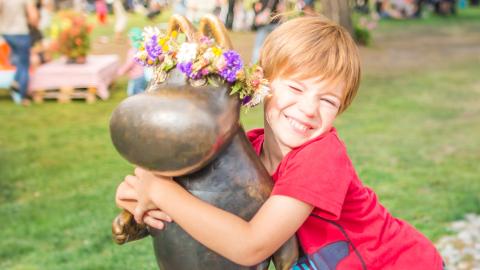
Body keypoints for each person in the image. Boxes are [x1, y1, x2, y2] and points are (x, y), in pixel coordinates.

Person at [116, 16, 444, 269]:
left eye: (328, 101)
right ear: (262, 83)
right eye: (297, 89)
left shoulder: (321, 156)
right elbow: (198, 208)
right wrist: (140, 200)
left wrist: (158, 190)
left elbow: (251, 246)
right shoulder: (249, 151)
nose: (309, 109)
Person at [0, 0, 39, 106]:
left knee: (20, 62)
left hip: (6, 33)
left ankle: (15, 83)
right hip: (21, 32)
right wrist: (35, 27)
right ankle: (23, 97)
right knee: (24, 65)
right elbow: (33, 16)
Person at [117, 28, 146, 96]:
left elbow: (129, 64)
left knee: (136, 94)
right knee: (140, 92)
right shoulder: (142, 49)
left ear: (132, 39)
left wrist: (121, 71)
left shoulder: (133, 51)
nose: (127, 40)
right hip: (143, 75)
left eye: (129, 38)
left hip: (136, 77)